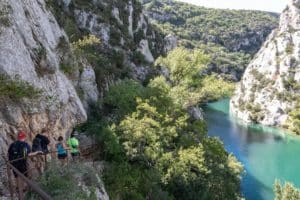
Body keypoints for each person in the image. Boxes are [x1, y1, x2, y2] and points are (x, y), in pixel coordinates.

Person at [8, 131, 41, 196]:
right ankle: (23, 190)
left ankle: (19, 189)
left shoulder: (12, 144)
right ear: (24, 137)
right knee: (23, 176)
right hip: (22, 163)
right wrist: (37, 152)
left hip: (13, 163)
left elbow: (9, 153)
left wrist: (10, 162)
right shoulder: (25, 144)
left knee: (17, 176)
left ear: (18, 137)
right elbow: (28, 154)